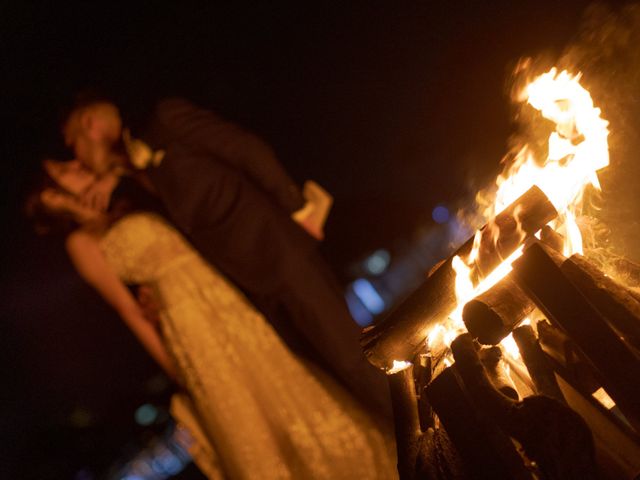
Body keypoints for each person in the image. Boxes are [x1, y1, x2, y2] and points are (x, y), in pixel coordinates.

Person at [29, 165, 398, 479]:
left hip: (223, 300)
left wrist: (111, 175)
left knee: (281, 377)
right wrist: (178, 369)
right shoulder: (81, 242)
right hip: (189, 322)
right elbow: (129, 310)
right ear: (56, 197)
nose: (73, 167)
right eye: (62, 173)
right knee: (246, 407)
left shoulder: (119, 203)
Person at [58, 94, 392, 419]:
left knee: (351, 357)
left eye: (73, 147)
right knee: (329, 376)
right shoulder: (130, 169)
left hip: (278, 253)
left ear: (90, 125)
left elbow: (244, 148)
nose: (79, 160)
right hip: (248, 288)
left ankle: (426, 432)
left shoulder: (165, 119)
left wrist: (298, 208)